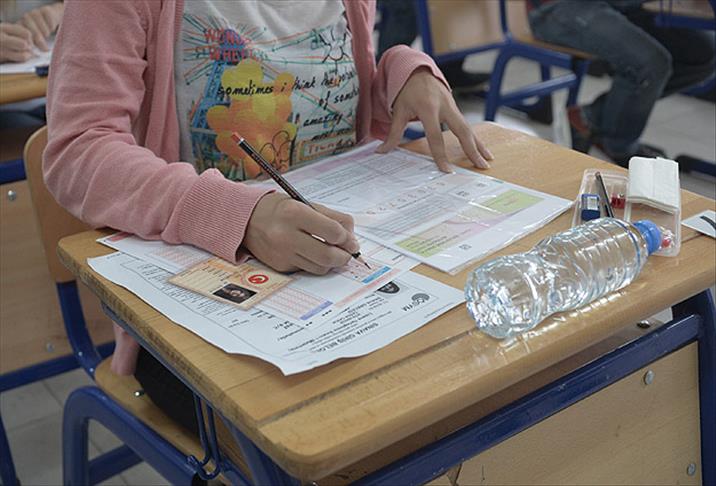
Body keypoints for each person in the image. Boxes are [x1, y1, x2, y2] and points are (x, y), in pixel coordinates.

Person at [43, 0, 493, 434]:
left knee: (471, 376)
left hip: (342, 283)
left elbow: (335, 113)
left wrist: (403, 72)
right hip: (200, 321)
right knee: (356, 428)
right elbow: (79, 151)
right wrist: (240, 215)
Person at [527, 0, 715, 166]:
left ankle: (592, 119)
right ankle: (617, 144)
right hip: (559, 6)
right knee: (650, 64)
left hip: (624, 6)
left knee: (704, 54)